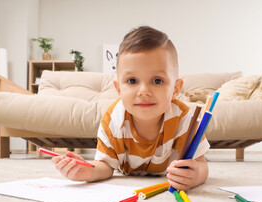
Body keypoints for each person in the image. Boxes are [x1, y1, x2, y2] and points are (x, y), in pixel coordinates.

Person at [51, 26, 210, 191]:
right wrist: (87, 171)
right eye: (132, 81)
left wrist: (196, 175)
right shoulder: (112, 119)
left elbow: (201, 165)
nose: (144, 91)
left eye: (157, 81)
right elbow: (105, 166)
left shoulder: (184, 119)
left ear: (176, 89)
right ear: (118, 89)